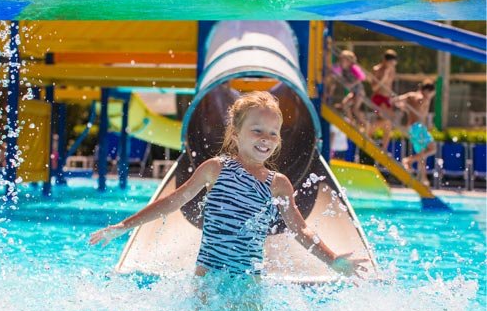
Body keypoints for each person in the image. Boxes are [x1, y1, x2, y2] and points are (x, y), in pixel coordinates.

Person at [90, 91, 370, 279]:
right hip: (207, 279)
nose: (266, 138)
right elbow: (173, 201)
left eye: (273, 133)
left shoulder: (278, 184)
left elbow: (300, 229)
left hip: (248, 284)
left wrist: (332, 260)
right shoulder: (216, 169)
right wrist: (124, 226)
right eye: (257, 130)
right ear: (235, 135)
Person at [393, 82, 436, 182]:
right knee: (432, 149)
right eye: (431, 94)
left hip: (412, 128)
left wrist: (404, 106)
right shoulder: (423, 98)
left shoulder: (410, 95)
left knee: (422, 153)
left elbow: (396, 100)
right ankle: (408, 161)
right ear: (427, 91)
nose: (430, 97)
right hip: (418, 127)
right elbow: (419, 101)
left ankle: (423, 178)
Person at [369, 49, 398, 152]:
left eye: (393, 63)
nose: (391, 65)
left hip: (386, 99)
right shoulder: (377, 69)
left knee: (389, 124)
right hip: (378, 98)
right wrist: (384, 77)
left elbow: (389, 86)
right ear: (385, 60)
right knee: (387, 120)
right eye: (390, 63)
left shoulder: (392, 70)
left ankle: (384, 150)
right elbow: (374, 88)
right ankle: (367, 132)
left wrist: (392, 98)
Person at [330, 49, 367, 127]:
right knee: (344, 104)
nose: (342, 62)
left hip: (359, 92)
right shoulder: (342, 68)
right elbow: (334, 71)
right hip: (353, 92)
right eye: (341, 60)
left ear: (350, 61)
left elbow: (362, 77)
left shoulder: (353, 68)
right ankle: (351, 122)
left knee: (355, 109)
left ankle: (365, 124)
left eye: (344, 60)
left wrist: (351, 84)